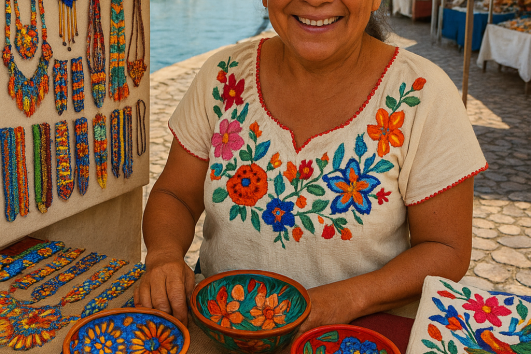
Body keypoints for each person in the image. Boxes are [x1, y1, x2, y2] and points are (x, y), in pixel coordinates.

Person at [136, 0, 487, 335]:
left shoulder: (421, 94)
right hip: (223, 326)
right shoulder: (224, 76)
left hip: (358, 335)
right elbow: (175, 194)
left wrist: (348, 299)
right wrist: (164, 256)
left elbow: (445, 248)